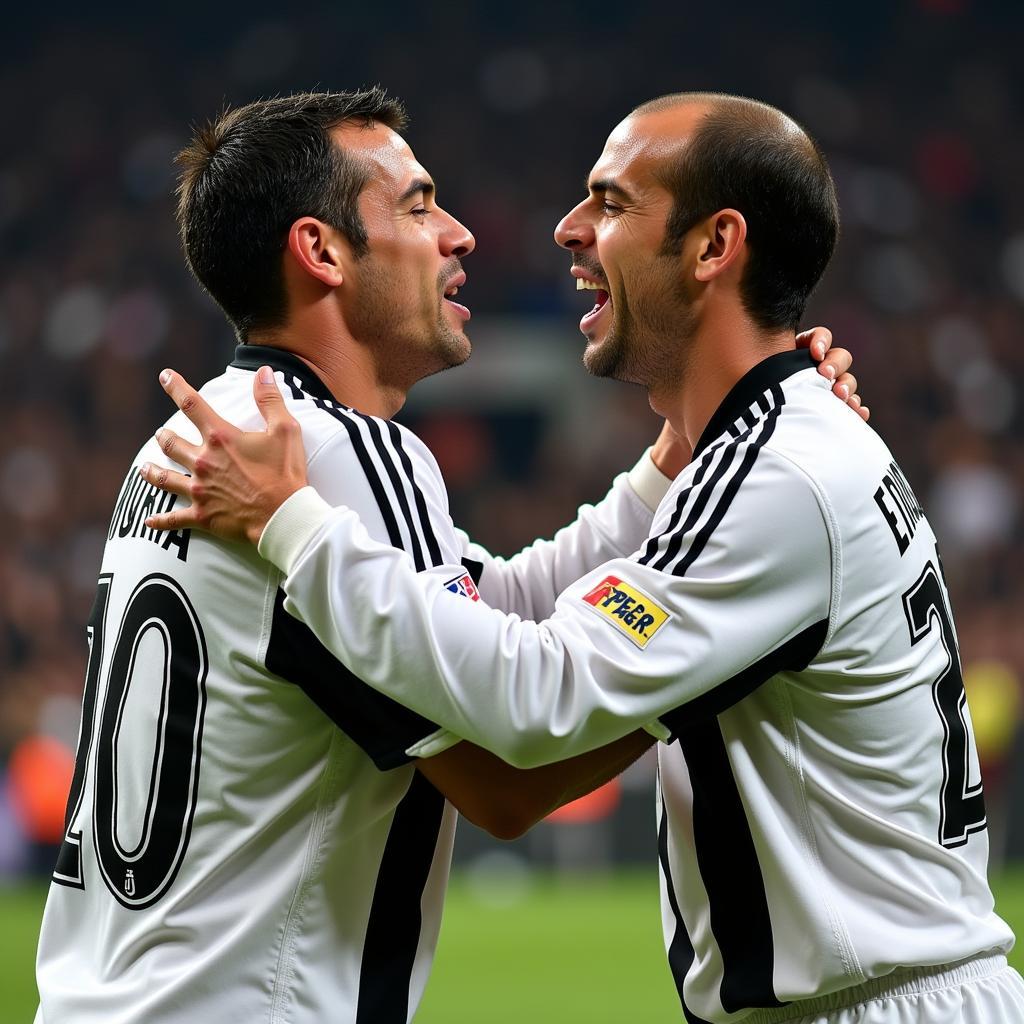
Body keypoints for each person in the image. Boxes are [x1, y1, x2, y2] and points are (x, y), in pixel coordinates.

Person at [145, 92, 1024, 1023]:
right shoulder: (770, 460)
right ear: (319, 250)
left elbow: (530, 705)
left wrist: (294, 524)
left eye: (609, 202)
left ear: (713, 246)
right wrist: (674, 468)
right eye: (416, 204)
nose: (560, 229)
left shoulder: (223, 446)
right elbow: (499, 642)